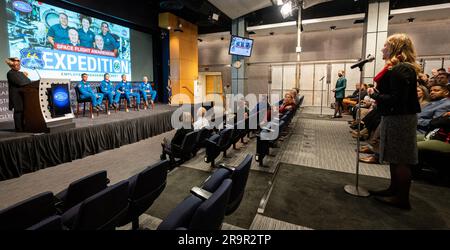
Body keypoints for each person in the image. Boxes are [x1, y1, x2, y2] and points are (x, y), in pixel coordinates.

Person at [366, 33, 422, 209]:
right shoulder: (399, 68)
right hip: (395, 116)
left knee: (400, 159)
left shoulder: (402, 69)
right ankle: (394, 189)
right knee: (394, 157)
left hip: (400, 118)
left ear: (395, 48)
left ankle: (402, 199)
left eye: (385, 45)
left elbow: (397, 99)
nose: (382, 48)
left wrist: (374, 94)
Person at [5, 57, 32, 132]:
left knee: (24, 112)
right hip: (16, 96)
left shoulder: (21, 73)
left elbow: (29, 81)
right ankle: (19, 129)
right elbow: (20, 82)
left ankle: (24, 127)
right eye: (17, 65)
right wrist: (25, 78)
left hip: (23, 95)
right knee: (18, 112)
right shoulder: (10, 73)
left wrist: (25, 77)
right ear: (12, 66)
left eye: (19, 65)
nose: (19, 66)